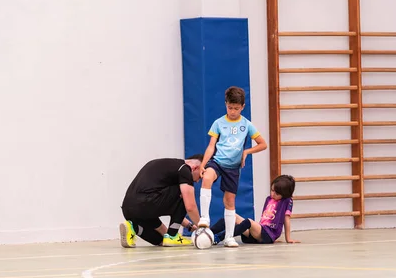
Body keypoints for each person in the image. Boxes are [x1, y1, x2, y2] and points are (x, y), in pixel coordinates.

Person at [197, 86, 268, 247]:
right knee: (207, 177)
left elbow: (263, 144)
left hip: (233, 167)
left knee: (229, 201)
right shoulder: (219, 123)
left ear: (243, 107)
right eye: (230, 108)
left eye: (236, 108)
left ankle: (229, 237)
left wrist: (246, 152)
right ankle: (205, 218)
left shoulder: (247, 125)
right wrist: (203, 164)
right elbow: (211, 146)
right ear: (225, 104)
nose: (233, 111)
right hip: (217, 162)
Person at [119, 155, 204, 248]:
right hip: (147, 204)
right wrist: (202, 228)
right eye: (200, 177)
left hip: (129, 209)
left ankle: (133, 228)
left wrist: (190, 227)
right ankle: (172, 236)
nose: (197, 181)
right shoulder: (184, 170)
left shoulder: (167, 166)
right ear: (195, 168)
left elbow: (176, 210)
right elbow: (190, 207)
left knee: (160, 240)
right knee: (185, 194)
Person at [209, 175, 300, 246]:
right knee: (232, 216)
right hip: (257, 233)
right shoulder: (269, 199)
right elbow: (265, 219)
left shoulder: (286, 201)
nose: (273, 194)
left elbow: (286, 219)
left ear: (285, 194)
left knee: (249, 221)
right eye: (272, 190)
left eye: (277, 193)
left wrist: (287, 238)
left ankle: (218, 238)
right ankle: (208, 233)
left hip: (268, 234)